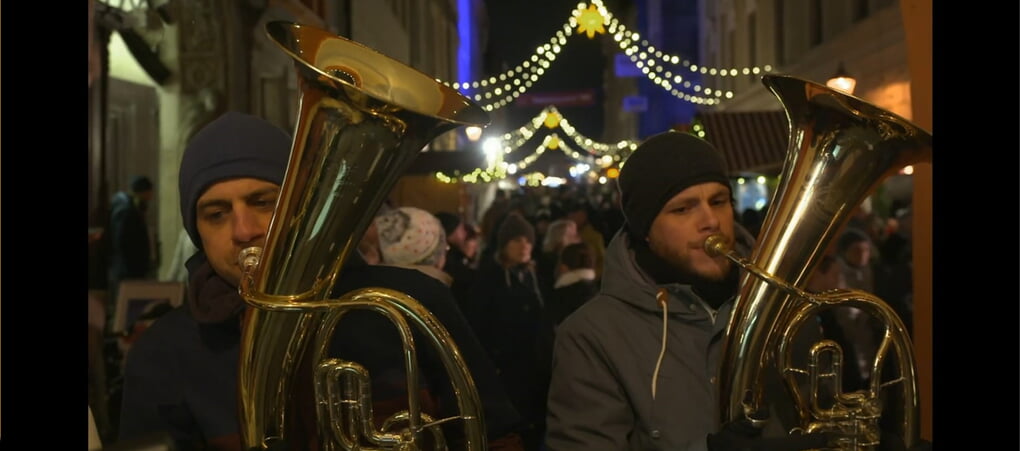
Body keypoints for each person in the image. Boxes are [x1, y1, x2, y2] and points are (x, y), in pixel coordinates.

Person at [117, 111, 524, 451]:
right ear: (197, 232)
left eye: (263, 202)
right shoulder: (162, 354)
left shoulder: (412, 303)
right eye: (217, 213)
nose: (243, 230)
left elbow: (497, 435)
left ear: (300, 206)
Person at [544, 131, 831, 451]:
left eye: (719, 202)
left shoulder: (785, 307)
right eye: (683, 209)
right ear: (645, 230)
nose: (711, 221)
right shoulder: (590, 336)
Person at [106, 175, 155, 305]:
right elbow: (122, 242)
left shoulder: (131, 208)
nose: (151, 196)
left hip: (128, 269)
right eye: (150, 192)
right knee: (127, 309)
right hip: (128, 271)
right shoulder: (127, 211)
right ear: (144, 192)